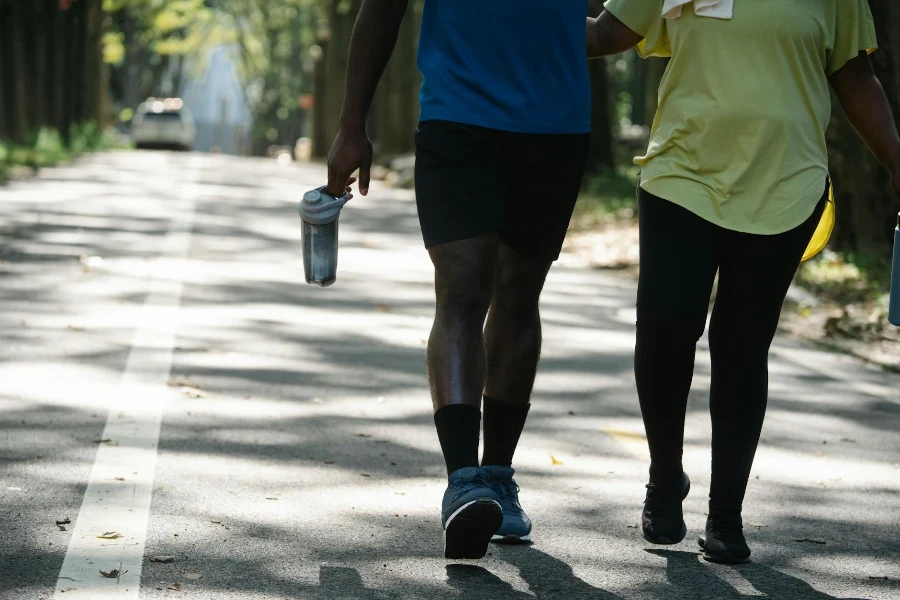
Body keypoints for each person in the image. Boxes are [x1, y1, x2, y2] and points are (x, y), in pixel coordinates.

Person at [587, 0, 900, 564]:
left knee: (741, 343)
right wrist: (521, 17)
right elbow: (607, 33)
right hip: (681, 171)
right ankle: (665, 475)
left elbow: (854, 74)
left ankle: (725, 515)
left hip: (786, 180)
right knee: (666, 324)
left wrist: (896, 157)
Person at [326, 0, 592, 559]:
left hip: (556, 126)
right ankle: (463, 479)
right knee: (465, 288)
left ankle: (497, 474)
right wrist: (352, 125)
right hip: (459, 117)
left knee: (520, 295)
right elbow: (381, 10)